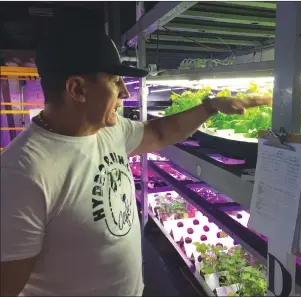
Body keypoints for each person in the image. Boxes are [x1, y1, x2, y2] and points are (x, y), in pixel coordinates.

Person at [0, 18, 271, 297]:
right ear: (77, 89)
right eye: (115, 81)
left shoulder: (109, 131)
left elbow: (160, 131)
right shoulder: (22, 173)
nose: (125, 92)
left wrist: (211, 107)